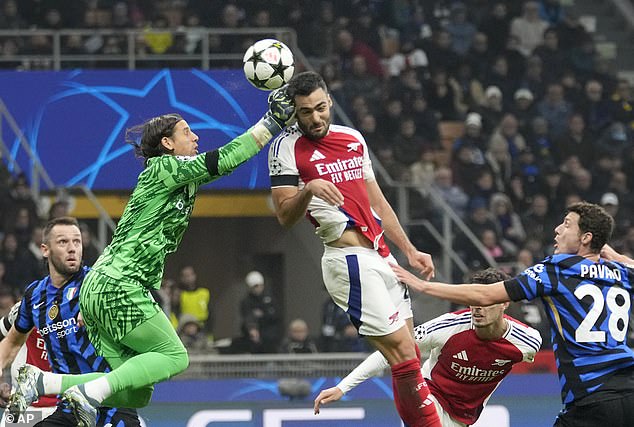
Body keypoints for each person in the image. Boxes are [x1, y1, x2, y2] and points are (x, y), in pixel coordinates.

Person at [9, 88, 296, 427]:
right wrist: (272, 122)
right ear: (168, 145)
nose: (196, 136)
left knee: (136, 392)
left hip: (100, 288)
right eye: (187, 132)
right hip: (119, 284)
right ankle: (87, 394)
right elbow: (225, 160)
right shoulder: (165, 168)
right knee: (175, 356)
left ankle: (42, 382)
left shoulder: (174, 179)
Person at [268, 71, 440, 427]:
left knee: (411, 356)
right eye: (305, 112)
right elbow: (285, 215)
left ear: (329, 101)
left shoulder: (352, 138)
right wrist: (309, 188)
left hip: (382, 255)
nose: (315, 118)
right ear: (294, 113)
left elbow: (376, 200)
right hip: (347, 260)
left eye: (320, 108)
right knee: (404, 353)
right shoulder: (285, 148)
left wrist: (408, 249)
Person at [391, 202, 634, 427]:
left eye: (567, 225)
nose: (558, 230)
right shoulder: (621, 272)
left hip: (592, 400)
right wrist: (610, 252)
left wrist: (423, 286)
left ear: (586, 237)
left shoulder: (555, 271)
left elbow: (485, 295)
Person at [314, 268, 542, 426]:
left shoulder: (527, 342)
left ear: (504, 303)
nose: (477, 308)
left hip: (462, 417)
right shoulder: (448, 327)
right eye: (472, 300)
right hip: (429, 395)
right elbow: (390, 353)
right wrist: (343, 388)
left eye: (484, 301)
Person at [0, 217, 141, 426]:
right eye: (63, 242)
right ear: (45, 250)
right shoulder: (34, 295)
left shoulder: (97, 285)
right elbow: (12, 342)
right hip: (68, 409)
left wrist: (97, 310)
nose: (72, 248)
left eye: (77, 241)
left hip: (110, 405)